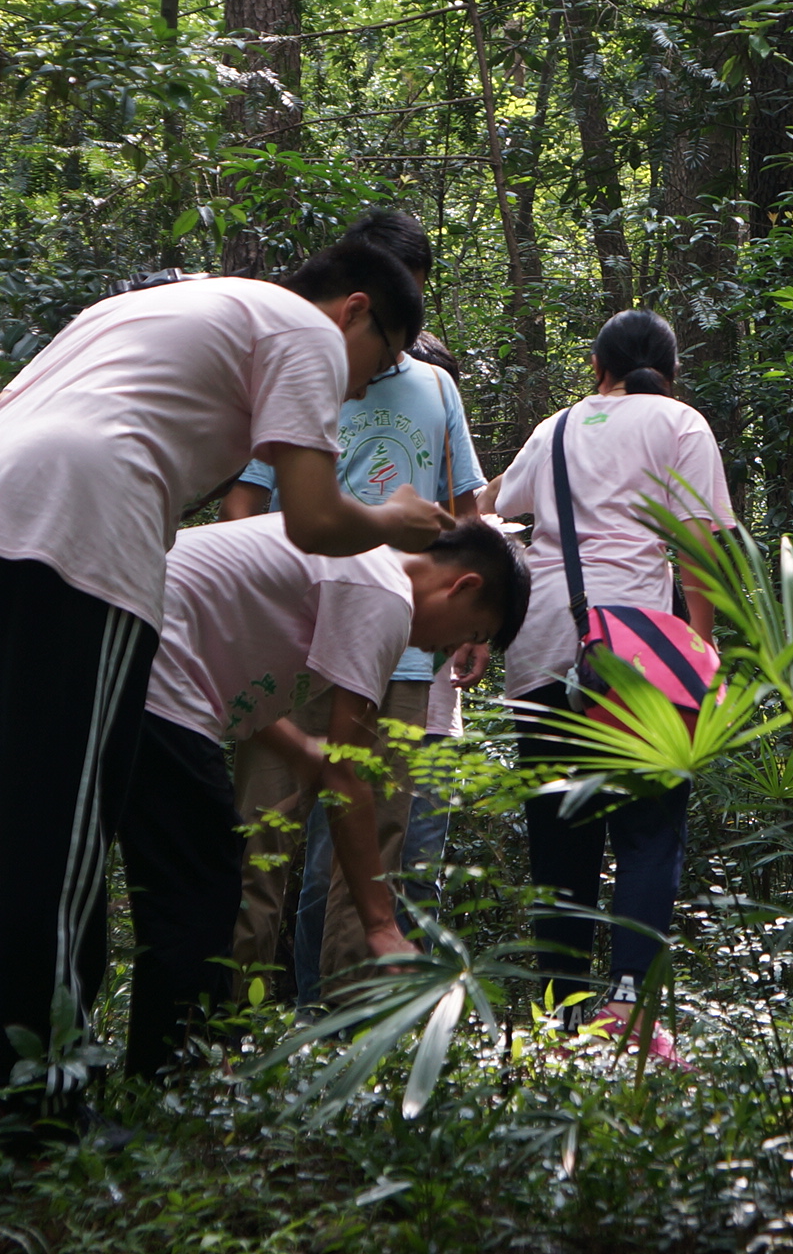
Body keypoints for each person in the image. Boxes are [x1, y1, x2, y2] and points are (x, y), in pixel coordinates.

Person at [0, 238, 453, 1109]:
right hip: (82, 531)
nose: (359, 389)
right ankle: (42, 1106)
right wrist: (392, 519)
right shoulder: (302, 330)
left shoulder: (149, 307)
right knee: (57, 831)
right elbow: (310, 520)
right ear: (354, 309)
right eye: (379, 360)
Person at [118, 513, 529, 1075]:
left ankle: (170, 1066)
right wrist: (383, 927)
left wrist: (302, 752)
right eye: (472, 632)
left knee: (198, 877)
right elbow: (347, 775)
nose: (452, 647)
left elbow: (239, 695)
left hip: (125, 641)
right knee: (203, 882)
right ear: (464, 585)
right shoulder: (383, 593)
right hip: (144, 659)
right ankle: (170, 1075)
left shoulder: (356, 557)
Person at [481, 309, 735, 1062]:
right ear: (671, 370)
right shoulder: (680, 423)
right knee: (650, 830)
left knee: (559, 835)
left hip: (542, 642)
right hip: (638, 648)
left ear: (597, 367)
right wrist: (701, 645)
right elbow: (698, 543)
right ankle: (628, 1007)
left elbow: (496, 504)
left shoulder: (555, 426)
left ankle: (560, 1017)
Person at [224, 327, 489, 1003]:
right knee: (261, 846)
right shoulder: (310, 379)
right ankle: (221, 1039)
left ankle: (344, 1038)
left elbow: (465, 512)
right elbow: (244, 499)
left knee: (371, 851)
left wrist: (469, 623)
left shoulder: (436, 388)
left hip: (394, 654)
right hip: (291, 645)